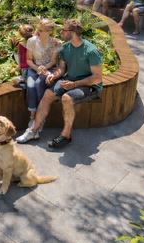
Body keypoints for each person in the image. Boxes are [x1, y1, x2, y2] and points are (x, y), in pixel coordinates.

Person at [15, 19, 103, 149]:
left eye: (64, 30)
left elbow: (97, 78)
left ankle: (65, 135)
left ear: (72, 32)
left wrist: (75, 84)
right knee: (47, 94)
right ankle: (33, 131)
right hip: (68, 80)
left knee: (66, 98)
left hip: (88, 86)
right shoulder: (65, 48)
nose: (60, 31)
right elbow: (62, 69)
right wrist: (53, 75)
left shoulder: (90, 51)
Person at [23, 18, 62, 132]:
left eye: (42, 30)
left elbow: (53, 62)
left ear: (50, 31)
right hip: (34, 68)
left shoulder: (56, 43)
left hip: (48, 68)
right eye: (39, 29)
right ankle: (32, 115)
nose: (39, 32)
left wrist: (44, 68)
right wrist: (37, 68)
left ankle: (41, 118)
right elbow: (29, 60)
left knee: (39, 83)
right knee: (30, 85)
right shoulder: (32, 41)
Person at [14, 24, 34, 88]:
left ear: (21, 34)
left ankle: (24, 83)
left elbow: (21, 61)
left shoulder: (21, 45)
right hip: (36, 67)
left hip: (26, 69)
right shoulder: (36, 43)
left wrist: (16, 68)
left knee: (15, 81)